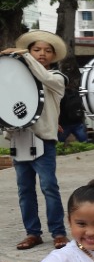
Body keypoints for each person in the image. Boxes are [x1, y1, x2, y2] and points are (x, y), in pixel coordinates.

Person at [5, 31, 67, 250]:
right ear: (31, 51)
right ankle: (33, 233)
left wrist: (24, 56)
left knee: (49, 186)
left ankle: (58, 232)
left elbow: (45, 77)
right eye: (36, 50)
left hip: (44, 141)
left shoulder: (57, 78)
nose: (42, 54)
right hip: (20, 140)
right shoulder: (17, 81)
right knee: (25, 190)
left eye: (47, 51)